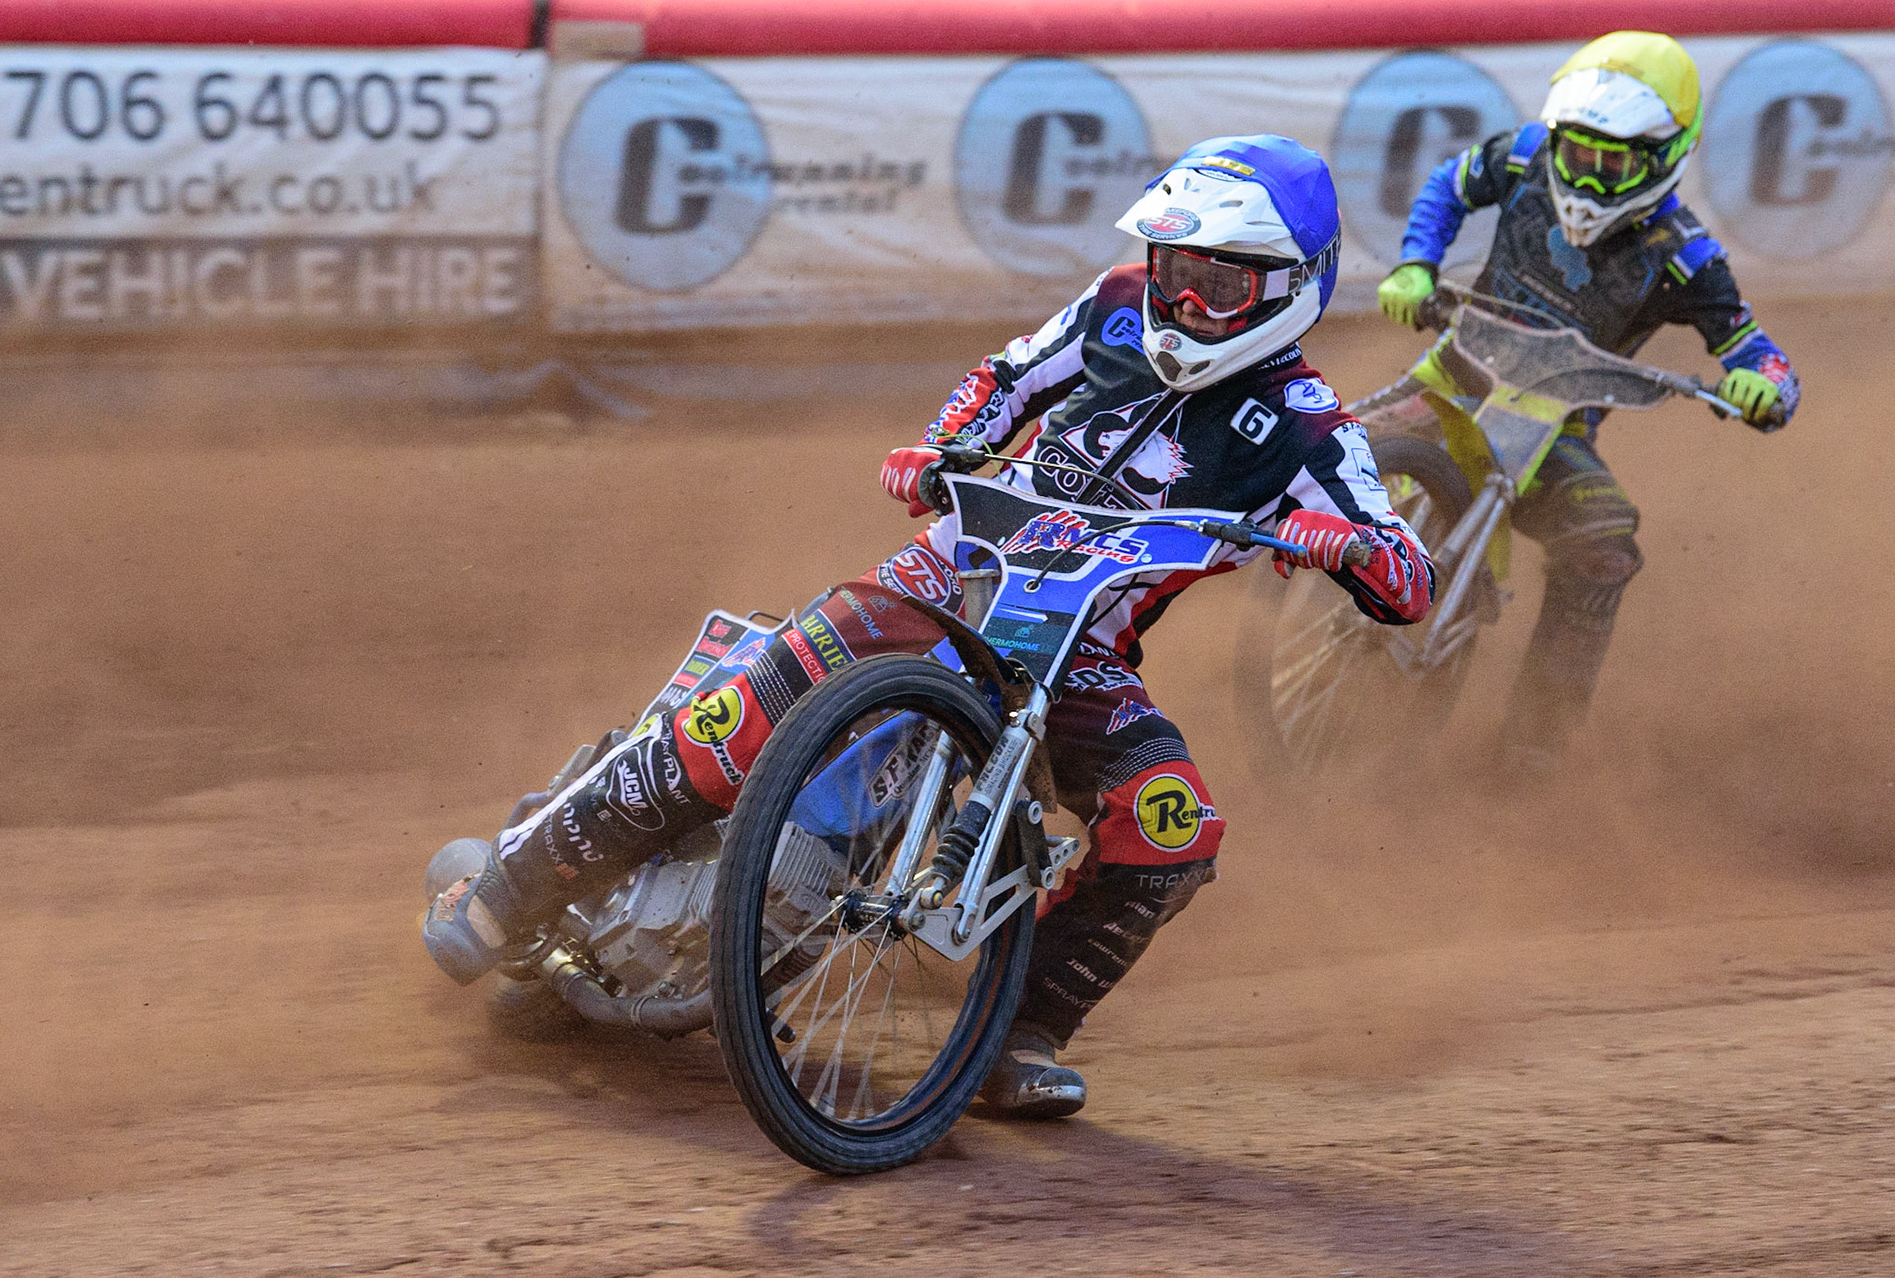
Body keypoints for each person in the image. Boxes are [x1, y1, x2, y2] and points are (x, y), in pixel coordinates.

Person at [425, 135, 1433, 1118]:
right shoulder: (1119, 303)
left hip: (1072, 655)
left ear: (1291, 286)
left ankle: (1017, 1034)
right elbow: (1005, 380)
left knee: (1173, 827)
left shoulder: (1309, 427)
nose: (1183, 300)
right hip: (950, 570)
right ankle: (512, 885)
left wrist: (1349, 550)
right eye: (1177, 269)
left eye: (1219, 284)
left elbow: (1411, 580)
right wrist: (946, 445)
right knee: (759, 698)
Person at [1370, 30, 1800, 774]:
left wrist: (1765, 387)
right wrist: (1416, 264)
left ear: (1668, 155)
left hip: (1550, 432)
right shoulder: (1523, 153)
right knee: (1325, 450)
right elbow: (1448, 183)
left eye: (1615, 162)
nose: (1592, 179)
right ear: (1559, 139)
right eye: (1581, 156)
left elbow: (1756, 350)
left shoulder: (1685, 255)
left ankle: (1536, 743)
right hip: (1453, 376)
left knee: (1604, 549)